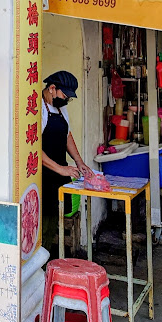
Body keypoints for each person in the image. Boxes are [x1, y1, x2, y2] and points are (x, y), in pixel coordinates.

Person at [41, 71, 93, 257]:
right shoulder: (37, 108)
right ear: (52, 88)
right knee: (41, 224)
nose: (66, 101)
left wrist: (79, 162)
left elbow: (67, 135)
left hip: (58, 175)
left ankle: (46, 262)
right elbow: (32, 148)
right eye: (65, 96)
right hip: (41, 176)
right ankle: (37, 267)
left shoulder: (61, 108)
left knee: (53, 222)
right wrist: (60, 169)